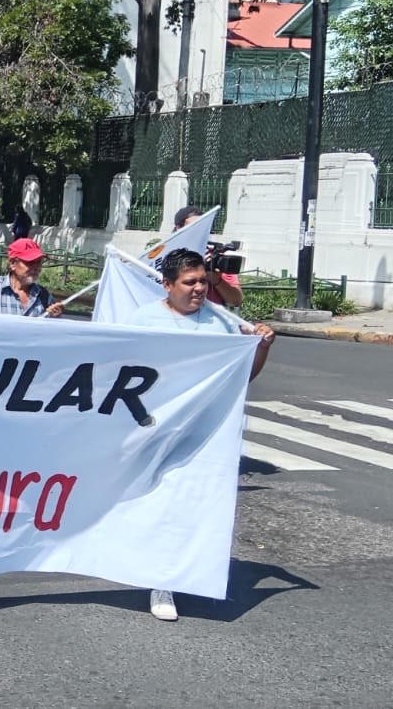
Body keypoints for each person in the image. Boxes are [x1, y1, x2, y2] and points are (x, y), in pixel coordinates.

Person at [124, 247, 275, 622]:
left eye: (203, 282)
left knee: (194, 505)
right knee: (163, 504)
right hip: (156, 431)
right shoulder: (142, 322)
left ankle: (185, 573)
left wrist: (261, 348)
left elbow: (243, 377)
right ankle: (161, 582)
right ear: (167, 284)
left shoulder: (220, 322)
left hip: (206, 434)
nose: (198, 290)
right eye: (189, 282)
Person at [0, 238, 65, 318]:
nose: (36, 267)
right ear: (13, 263)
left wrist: (55, 317)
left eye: (39, 262)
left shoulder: (44, 296)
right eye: (30, 262)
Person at [172, 205, 244, 306]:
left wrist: (214, 278)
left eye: (201, 227)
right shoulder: (167, 257)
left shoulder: (215, 257)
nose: (198, 231)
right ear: (179, 228)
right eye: (193, 227)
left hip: (211, 319)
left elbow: (236, 301)